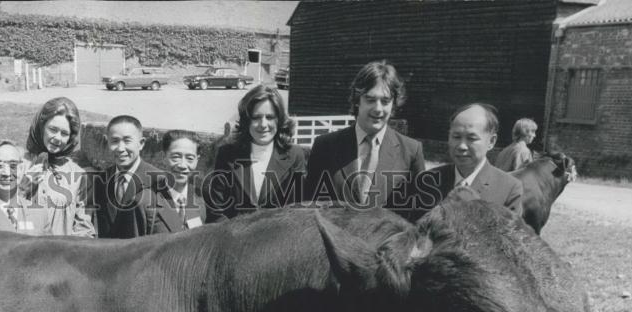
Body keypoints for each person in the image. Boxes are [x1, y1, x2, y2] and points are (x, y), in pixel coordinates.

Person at [304, 60, 425, 215]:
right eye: (370, 99)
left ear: (393, 104)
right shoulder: (325, 146)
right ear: (357, 101)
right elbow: (309, 210)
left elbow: (418, 216)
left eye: (385, 101)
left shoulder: (411, 151)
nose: (378, 109)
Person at [203, 84, 306, 223]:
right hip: (233, 239)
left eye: (270, 117)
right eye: (256, 117)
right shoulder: (227, 154)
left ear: (279, 120)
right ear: (246, 120)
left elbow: (298, 210)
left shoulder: (295, 155)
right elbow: (217, 211)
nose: (263, 124)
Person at [413, 103, 523, 217]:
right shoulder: (428, 182)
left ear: (491, 141)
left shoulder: (509, 188)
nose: (462, 146)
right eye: (456, 137)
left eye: (471, 138)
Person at [19, 96, 95, 238]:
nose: (58, 138)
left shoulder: (78, 175)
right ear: (41, 128)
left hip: (60, 255)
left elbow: (83, 226)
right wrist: (22, 190)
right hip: (22, 254)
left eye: (64, 133)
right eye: (53, 129)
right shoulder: (18, 164)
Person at [92, 115, 158, 239]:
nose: (120, 148)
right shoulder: (101, 180)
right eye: (115, 141)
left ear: (141, 143)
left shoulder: (157, 181)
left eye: (127, 141)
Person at [145, 130, 206, 234]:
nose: (182, 165)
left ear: (197, 160)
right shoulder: (144, 201)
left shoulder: (200, 200)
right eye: (176, 157)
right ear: (164, 157)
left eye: (190, 158)